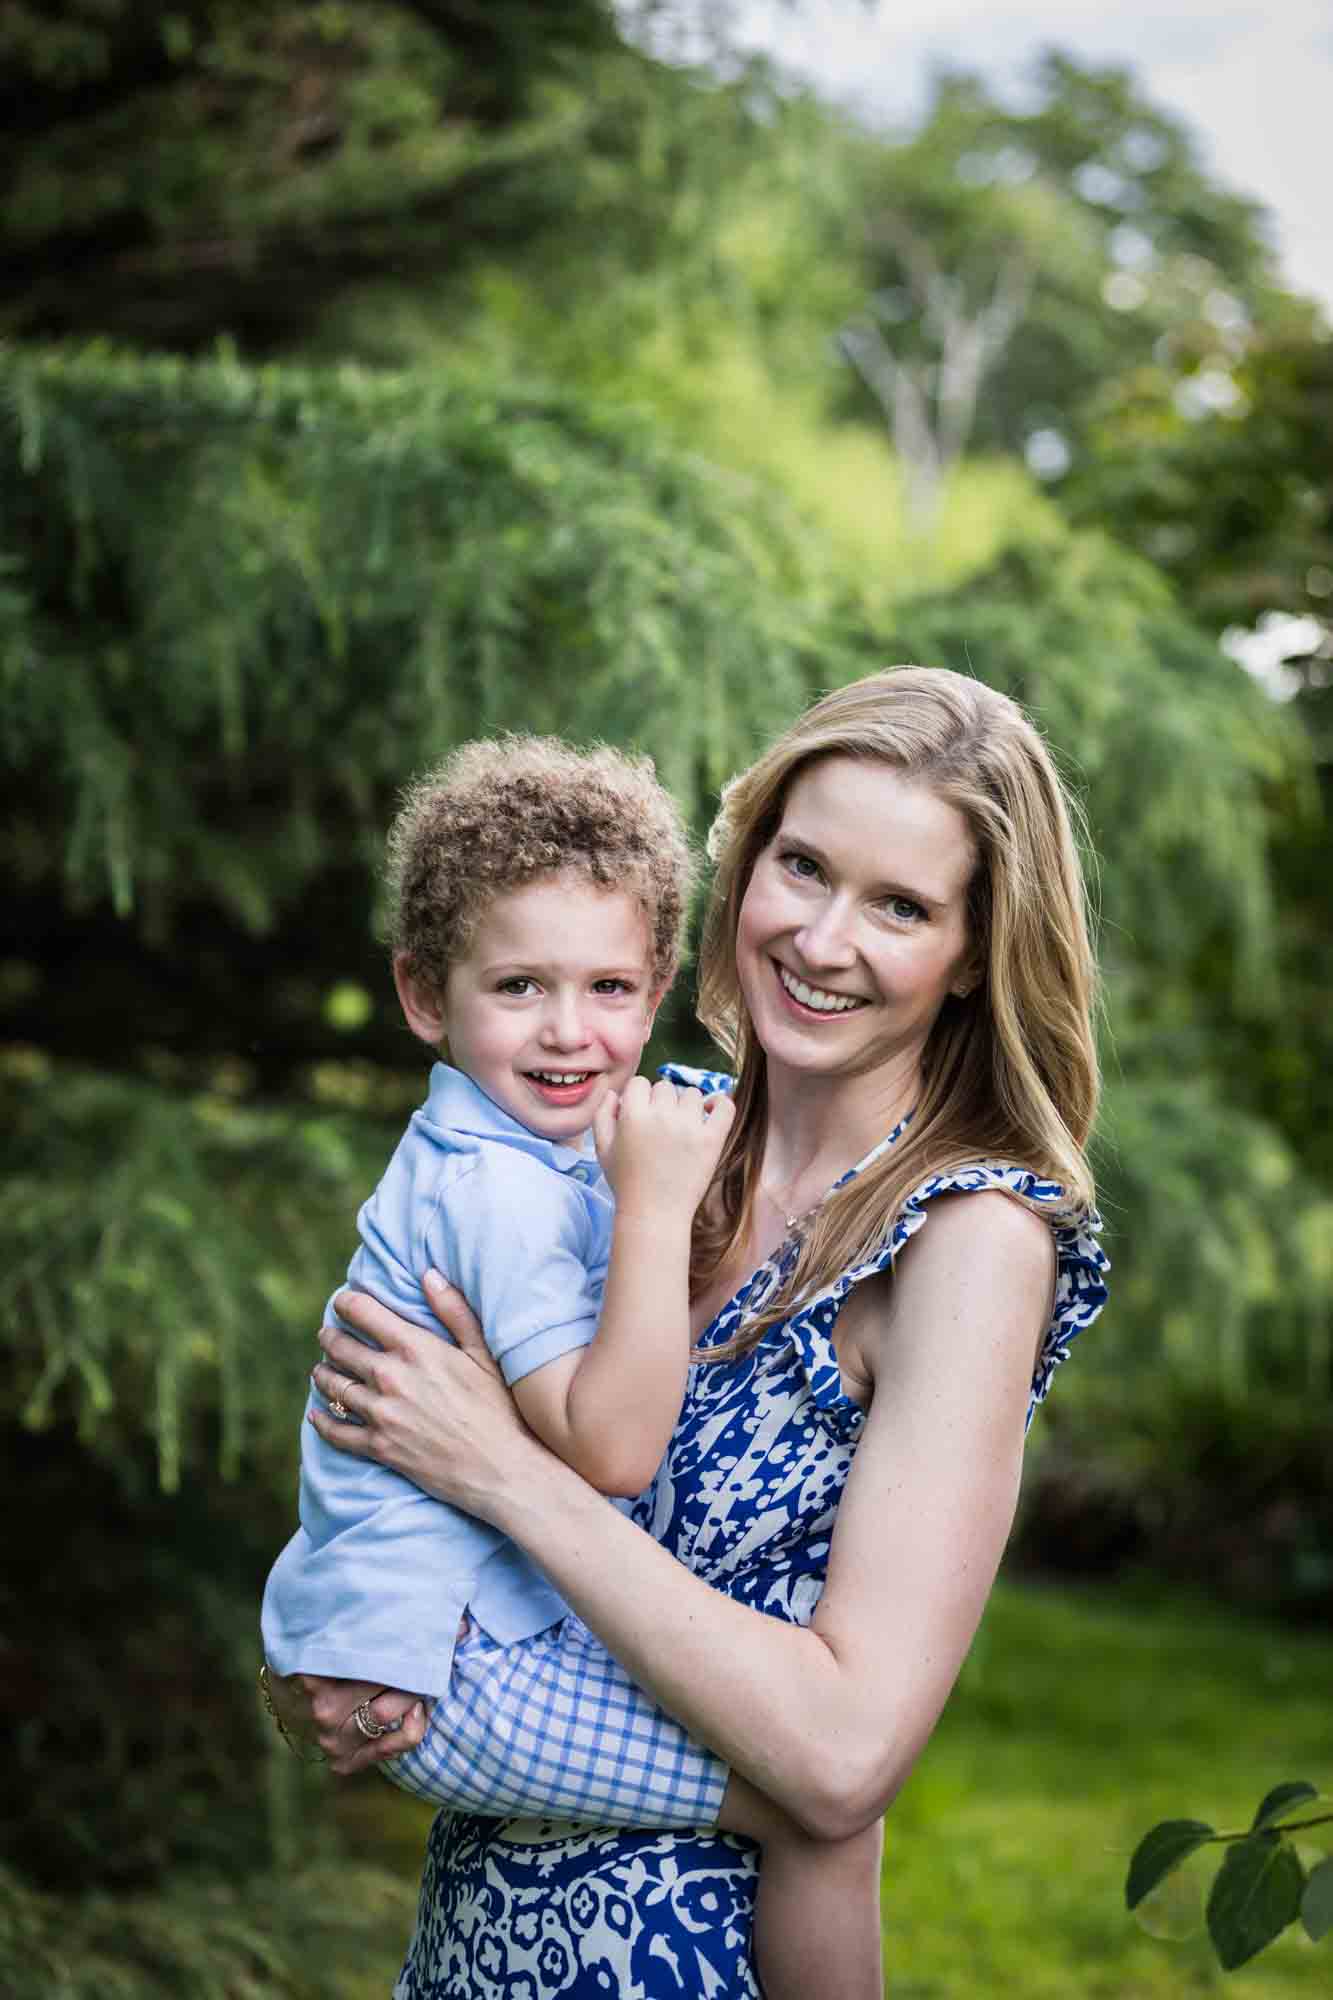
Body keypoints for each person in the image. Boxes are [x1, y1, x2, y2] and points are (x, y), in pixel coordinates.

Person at [270, 667, 1110, 2000]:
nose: (825, 940)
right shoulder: (640, 1133)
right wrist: (355, 1633)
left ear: (972, 956)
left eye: (899, 906)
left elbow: (843, 1762)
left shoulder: (964, 1240)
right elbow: (397, 1422)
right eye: (804, 867)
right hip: (478, 1942)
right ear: (744, 864)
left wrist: (502, 1473)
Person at [261, 734, 887, 2000]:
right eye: (518, 987)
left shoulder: (522, 1150)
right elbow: (608, 1449)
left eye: (609, 987)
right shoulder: (498, 1189)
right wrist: (654, 1211)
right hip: (454, 1672)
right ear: (423, 995)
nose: (570, 1031)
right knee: (814, 1809)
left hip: (440, 1640)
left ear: (658, 983)